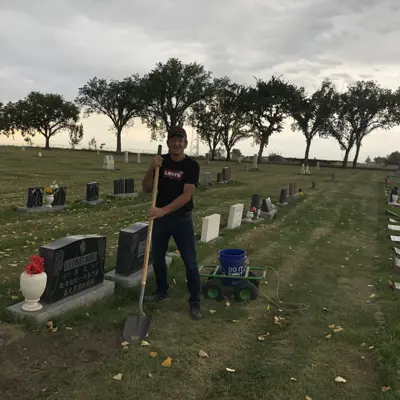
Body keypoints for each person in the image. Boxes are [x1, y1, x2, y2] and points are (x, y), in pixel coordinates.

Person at [141, 126, 202, 320]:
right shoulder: (162, 162)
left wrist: (162, 210)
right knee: (157, 257)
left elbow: (186, 196)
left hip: (182, 219)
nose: (177, 143)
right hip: (161, 220)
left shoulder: (191, 166)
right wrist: (152, 168)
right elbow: (146, 188)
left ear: (185, 143)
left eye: (180, 140)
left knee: (190, 262)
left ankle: (195, 301)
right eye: (173, 140)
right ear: (168, 142)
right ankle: (161, 290)